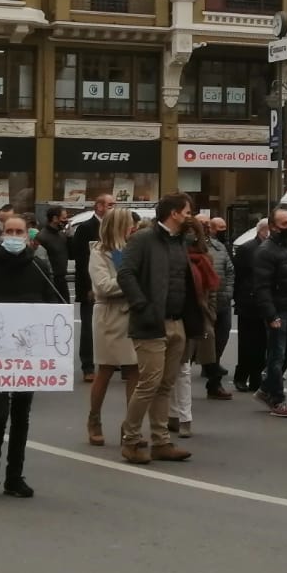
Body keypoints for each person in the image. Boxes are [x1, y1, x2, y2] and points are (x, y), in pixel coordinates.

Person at [0, 212, 61, 500]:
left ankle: (14, 477)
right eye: (11, 232)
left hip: (26, 357)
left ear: (28, 234)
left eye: (21, 232)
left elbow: (53, 304)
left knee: (21, 416)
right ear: (1, 234)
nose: (16, 237)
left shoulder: (39, 267)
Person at [114, 195, 198, 463]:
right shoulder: (143, 239)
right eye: (187, 212)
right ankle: (131, 439)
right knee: (149, 383)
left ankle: (161, 442)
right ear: (173, 213)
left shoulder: (179, 241)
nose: (190, 216)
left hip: (176, 321)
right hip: (151, 322)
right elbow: (125, 274)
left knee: (165, 385)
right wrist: (142, 306)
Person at [84, 205, 139, 446]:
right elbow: (104, 286)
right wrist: (131, 281)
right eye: (129, 223)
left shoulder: (131, 249)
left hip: (132, 314)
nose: (133, 228)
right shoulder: (98, 251)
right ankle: (94, 419)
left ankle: (130, 426)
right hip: (108, 314)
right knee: (105, 370)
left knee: (135, 371)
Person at [251, 207, 287, 420]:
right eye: (285, 224)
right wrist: (271, 314)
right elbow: (262, 287)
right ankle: (276, 398)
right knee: (276, 354)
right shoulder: (265, 251)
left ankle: (265, 388)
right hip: (278, 310)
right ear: (272, 226)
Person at [173, 217, 221, 438]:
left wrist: (209, 317)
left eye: (194, 232)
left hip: (194, 317)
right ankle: (171, 415)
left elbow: (211, 291)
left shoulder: (205, 259)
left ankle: (184, 418)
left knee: (183, 370)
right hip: (174, 314)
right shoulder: (173, 256)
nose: (191, 236)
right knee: (169, 372)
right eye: (187, 232)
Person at [69, 194, 115, 383]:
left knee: (112, 325)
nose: (114, 208)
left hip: (112, 284)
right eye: (110, 204)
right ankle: (87, 366)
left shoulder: (113, 228)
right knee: (88, 327)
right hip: (91, 286)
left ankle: (113, 362)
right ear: (99, 207)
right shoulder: (85, 228)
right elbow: (82, 261)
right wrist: (89, 286)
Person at [230, 215, 269, 393]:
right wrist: (238, 299)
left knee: (262, 343)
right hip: (248, 301)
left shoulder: (272, 248)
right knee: (247, 342)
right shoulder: (247, 249)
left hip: (264, 301)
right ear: (262, 231)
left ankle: (256, 377)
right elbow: (238, 276)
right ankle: (241, 376)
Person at [202, 217, 233, 400]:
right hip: (202, 305)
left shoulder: (219, 247)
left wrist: (228, 292)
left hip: (222, 302)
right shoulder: (187, 246)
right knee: (199, 345)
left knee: (220, 340)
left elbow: (230, 270)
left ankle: (213, 382)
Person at [37, 206, 72, 293]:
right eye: (64, 218)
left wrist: (70, 238)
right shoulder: (42, 236)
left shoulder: (62, 235)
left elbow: (71, 254)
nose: (66, 220)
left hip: (62, 279)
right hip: (50, 280)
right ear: (55, 218)